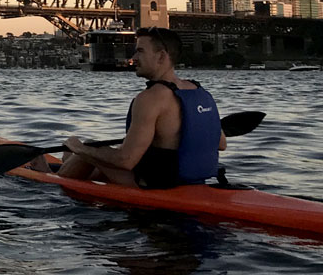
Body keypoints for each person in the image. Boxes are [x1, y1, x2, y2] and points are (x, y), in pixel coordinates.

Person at [50, 27, 226, 188]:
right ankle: (69, 159)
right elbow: (221, 144)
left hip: (154, 184)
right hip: (193, 181)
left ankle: (45, 174)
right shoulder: (201, 92)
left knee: (89, 148)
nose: (133, 58)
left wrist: (81, 148)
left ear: (161, 56)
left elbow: (126, 160)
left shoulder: (150, 99)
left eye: (140, 51)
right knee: (93, 157)